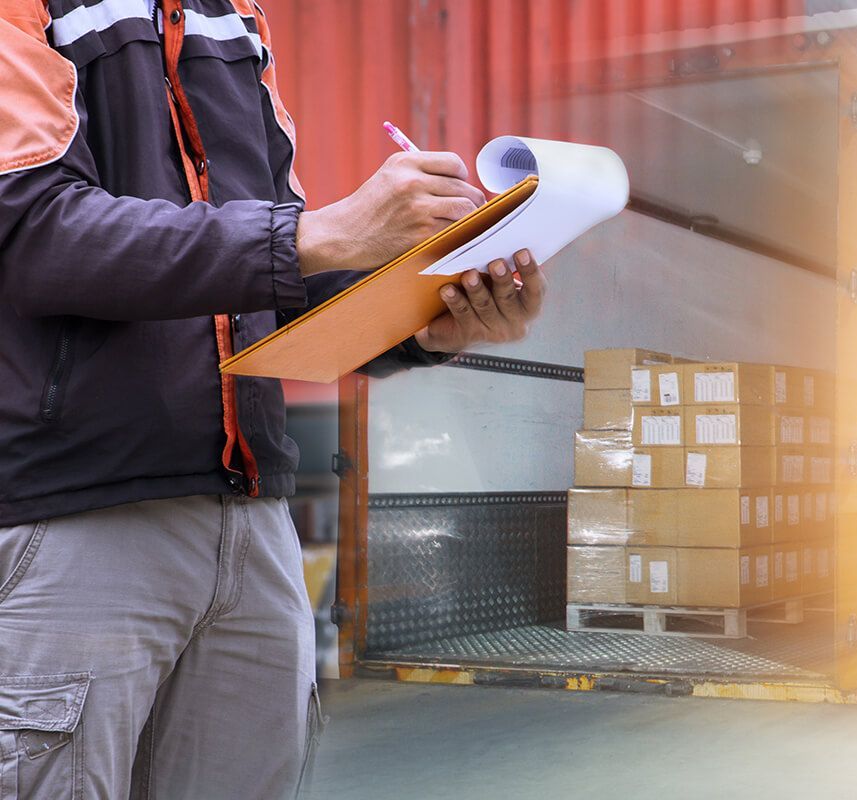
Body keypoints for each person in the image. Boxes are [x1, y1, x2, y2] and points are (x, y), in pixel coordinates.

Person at [0, 0, 546, 796]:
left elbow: (277, 279)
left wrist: (433, 319)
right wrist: (318, 234)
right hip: (77, 515)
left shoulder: (235, 22)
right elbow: (32, 232)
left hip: (251, 521)